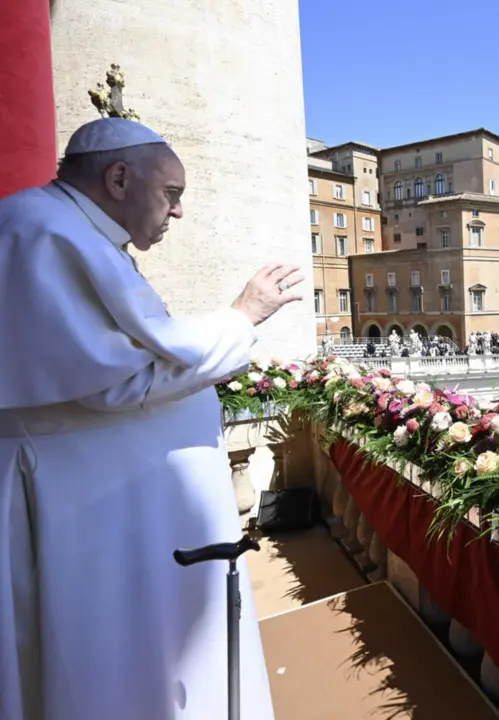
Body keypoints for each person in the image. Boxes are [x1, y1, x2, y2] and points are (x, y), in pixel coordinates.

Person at [0, 117, 301, 720]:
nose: (179, 212)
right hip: (80, 509)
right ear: (118, 178)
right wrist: (242, 317)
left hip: (102, 501)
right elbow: (121, 381)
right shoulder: (44, 234)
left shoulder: (66, 230)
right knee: (99, 667)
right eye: (172, 193)